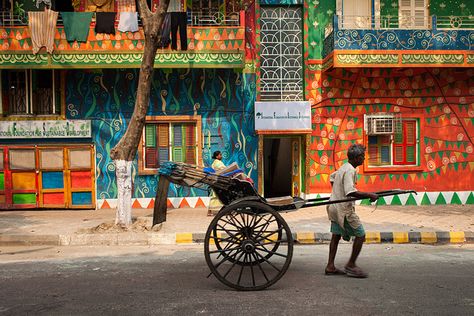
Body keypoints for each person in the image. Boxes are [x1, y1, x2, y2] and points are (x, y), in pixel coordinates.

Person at [325, 143, 378, 278]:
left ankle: (330, 266)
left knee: (336, 236)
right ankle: (351, 264)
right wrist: (368, 195)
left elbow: (332, 177)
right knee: (361, 234)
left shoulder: (344, 167)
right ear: (356, 158)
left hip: (334, 207)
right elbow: (350, 192)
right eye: (362, 157)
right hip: (343, 210)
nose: (364, 159)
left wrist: (337, 191)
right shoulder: (350, 170)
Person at [208, 150, 226, 216]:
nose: (221, 156)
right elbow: (224, 169)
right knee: (218, 195)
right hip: (220, 180)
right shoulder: (218, 163)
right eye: (220, 155)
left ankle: (210, 210)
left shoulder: (214, 163)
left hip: (216, 180)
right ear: (217, 156)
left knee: (215, 195)